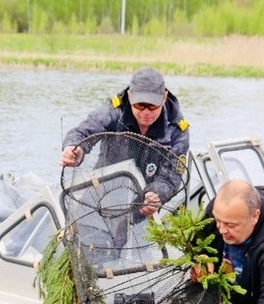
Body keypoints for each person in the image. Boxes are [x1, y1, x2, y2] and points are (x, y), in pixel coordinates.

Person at [59, 67, 189, 217]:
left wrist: (155, 194)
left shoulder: (178, 130)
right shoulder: (114, 111)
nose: (146, 112)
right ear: (130, 96)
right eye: (140, 105)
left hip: (141, 206)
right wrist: (75, 150)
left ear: (164, 98)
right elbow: (83, 132)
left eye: (152, 106)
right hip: (100, 194)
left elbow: (170, 177)